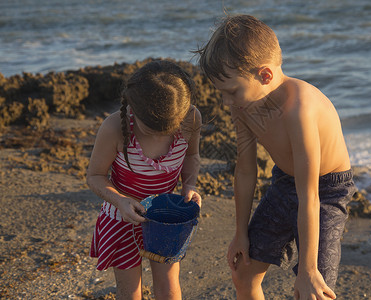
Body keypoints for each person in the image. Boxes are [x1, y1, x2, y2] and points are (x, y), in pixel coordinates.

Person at [197, 15, 356, 300]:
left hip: (326, 190)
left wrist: (307, 269)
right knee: (243, 272)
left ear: (265, 75)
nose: (226, 102)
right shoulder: (244, 108)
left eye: (232, 91)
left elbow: (310, 195)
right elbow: (245, 172)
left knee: (314, 289)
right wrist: (240, 233)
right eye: (222, 94)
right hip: (285, 182)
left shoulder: (300, 109)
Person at [86, 60, 202, 300]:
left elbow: (192, 155)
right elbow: (95, 176)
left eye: (171, 130)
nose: (164, 135)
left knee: (169, 286)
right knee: (130, 292)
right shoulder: (114, 129)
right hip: (122, 218)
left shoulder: (190, 119)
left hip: (165, 218)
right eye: (152, 130)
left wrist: (189, 184)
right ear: (132, 108)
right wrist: (120, 200)